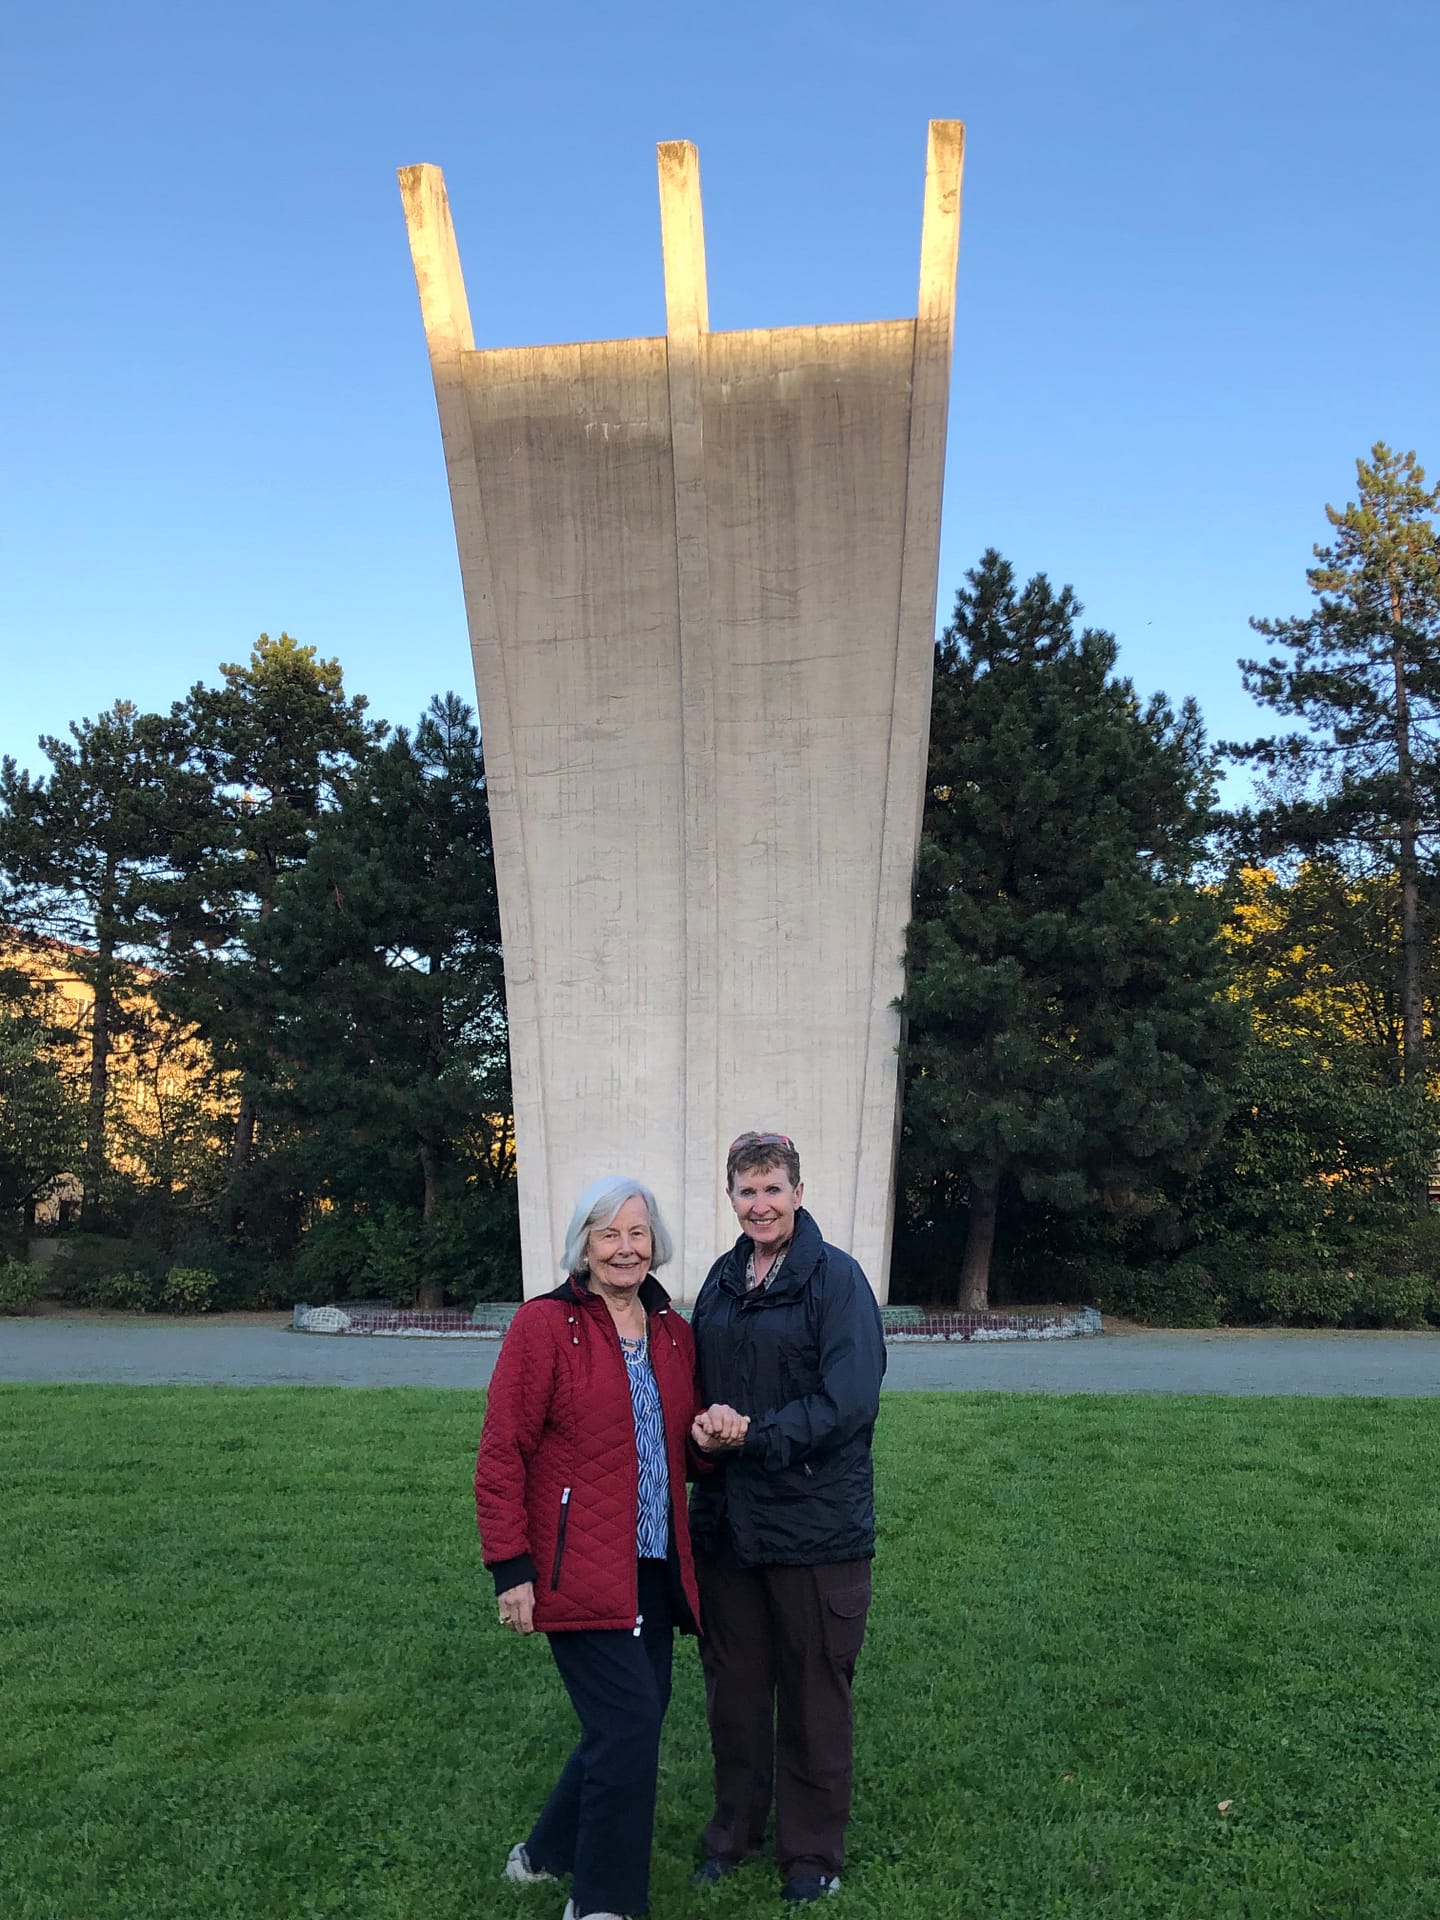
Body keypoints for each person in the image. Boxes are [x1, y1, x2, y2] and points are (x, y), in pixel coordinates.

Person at [476, 1174, 745, 1920]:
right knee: (627, 1726)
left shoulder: (672, 1332)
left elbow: (677, 1455)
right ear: (584, 1247)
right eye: (609, 1235)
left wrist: (710, 1444)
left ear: (652, 1243)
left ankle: (543, 1855)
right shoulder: (543, 1327)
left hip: (655, 1569)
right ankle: (604, 1903)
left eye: (637, 1233)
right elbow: (503, 1451)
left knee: (628, 1721)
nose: (625, 1249)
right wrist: (511, 1569)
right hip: (574, 1569)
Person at [688, 1131, 887, 1904]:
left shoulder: (835, 1280)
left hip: (815, 1526)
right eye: (746, 1191)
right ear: (731, 1199)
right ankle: (731, 1834)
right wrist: (704, 1430)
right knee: (734, 1692)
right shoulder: (721, 1279)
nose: (760, 1204)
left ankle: (811, 1856)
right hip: (732, 1523)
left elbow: (850, 1401)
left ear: (799, 1194)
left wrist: (755, 1435)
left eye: (773, 1188)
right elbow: (699, 1378)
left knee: (812, 1692)